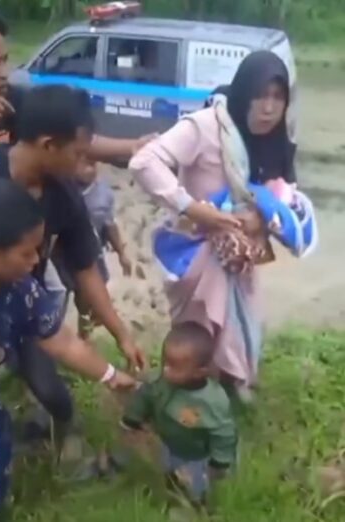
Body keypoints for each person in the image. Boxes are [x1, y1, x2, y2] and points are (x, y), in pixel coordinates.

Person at [128, 50, 308, 403]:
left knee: (241, 324)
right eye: (261, 95)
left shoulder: (274, 139)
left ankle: (225, 391)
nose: (269, 107)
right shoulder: (207, 126)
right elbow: (144, 162)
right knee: (197, 330)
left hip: (239, 255)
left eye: (278, 97)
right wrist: (194, 209)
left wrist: (263, 218)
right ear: (244, 93)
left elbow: (285, 193)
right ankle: (181, 402)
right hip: (195, 251)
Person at [0, 83, 144, 446]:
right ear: (48, 145)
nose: (84, 165)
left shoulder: (64, 197)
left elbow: (86, 269)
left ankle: (54, 430)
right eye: (79, 154)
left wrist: (121, 334)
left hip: (23, 299)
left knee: (52, 389)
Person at [0, 178, 137, 511]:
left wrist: (111, 375)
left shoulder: (23, 291)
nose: (36, 261)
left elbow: (61, 341)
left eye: (40, 249)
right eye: (26, 252)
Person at [0, 15, 153, 161]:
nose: (5, 73)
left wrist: (135, 146)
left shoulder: (19, 100)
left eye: (5, 61)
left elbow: (72, 139)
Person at [119, 322, 237, 505]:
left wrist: (219, 461)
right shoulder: (160, 381)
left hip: (198, 456)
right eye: (165, 362)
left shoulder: (213, 402)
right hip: (168, 444)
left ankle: (197, 506)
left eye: (174, 367)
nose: (165, 370)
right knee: (169, 471)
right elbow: (145, 396)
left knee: (196, 487)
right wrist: (133, 419)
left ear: (200, 372)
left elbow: (224, 433)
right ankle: (172, 488)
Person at [57, 156, 133, 340]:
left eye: (93, 164)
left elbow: (109, 224)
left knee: (87, 298)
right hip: (60, 256)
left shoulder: (103, 193)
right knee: (59, 295)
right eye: (83, 164)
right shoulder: (61, 189)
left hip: (90, 254)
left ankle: (84, 333)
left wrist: (122, 254)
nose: (89, 170)